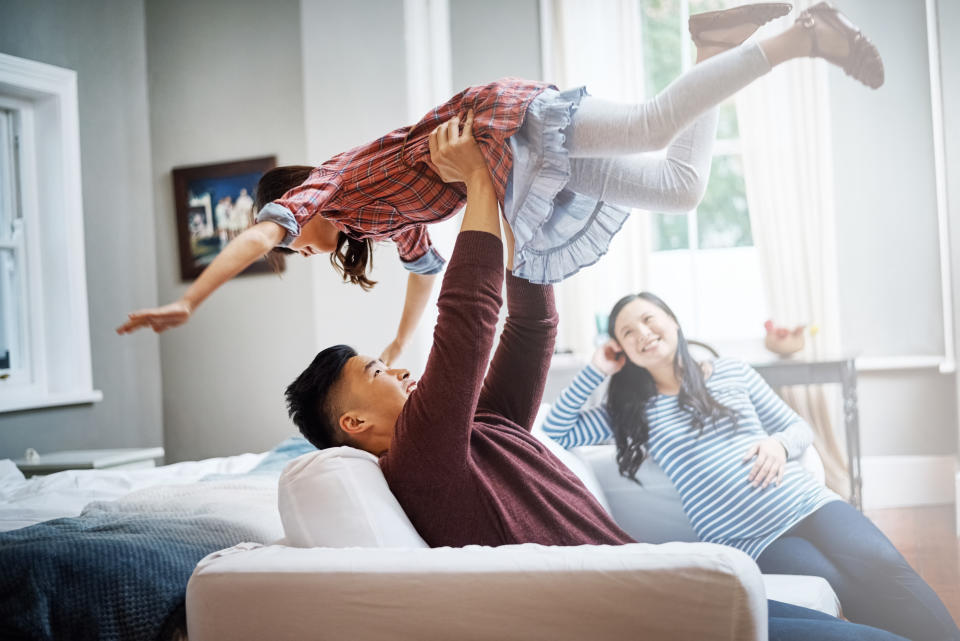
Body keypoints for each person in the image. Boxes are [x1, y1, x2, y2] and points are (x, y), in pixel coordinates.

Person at [283, 106, 906, 641]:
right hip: (640, 609)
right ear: (355, 421)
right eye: (375, 370)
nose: (396, 368)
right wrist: (474, 181)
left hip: (659, 583)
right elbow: (467, 321)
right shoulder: (418, 458)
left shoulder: (478, 430)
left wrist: (509, 201)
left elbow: (530, 331)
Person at [117, 2, 883, 365]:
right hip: (510, 165)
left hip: (503, 127)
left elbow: (257, 234)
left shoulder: (330, 183)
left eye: (296, 237)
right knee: (680, 186)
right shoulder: (376, 221)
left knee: (651, 126)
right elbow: (425, 275)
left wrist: (190, 299)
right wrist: (393, 342)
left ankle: (795, 36)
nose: (301, 247)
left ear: (294, 197)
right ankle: (717, 38)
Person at [542, 291, 960, 641]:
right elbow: (556, 430)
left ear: (673, 320)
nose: (643, 335)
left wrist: (778, 445)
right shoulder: (632, 411)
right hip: (749, 537)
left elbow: (797, 427)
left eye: (649, 320)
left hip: (803, 501)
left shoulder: (731, 372)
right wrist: (597, 367)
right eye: (627, 334)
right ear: (621, 350)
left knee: (885, 564)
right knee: (844, 585)